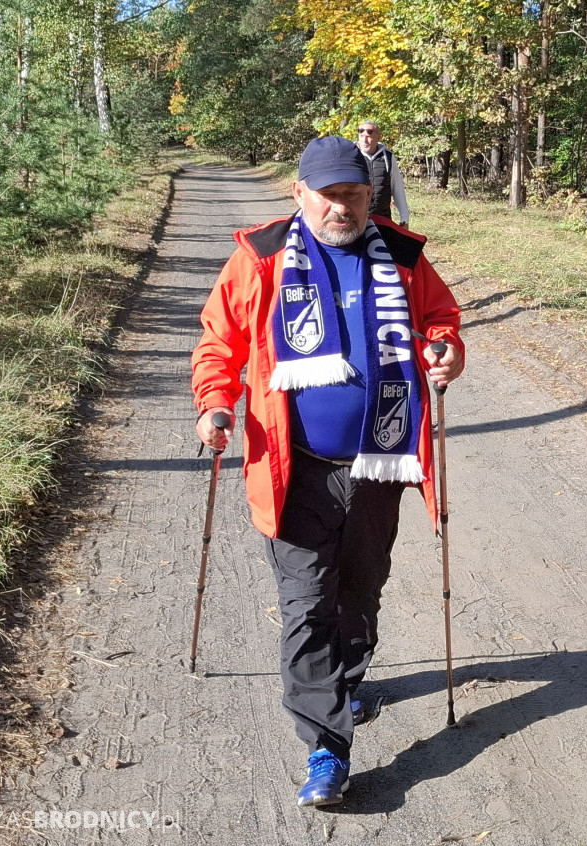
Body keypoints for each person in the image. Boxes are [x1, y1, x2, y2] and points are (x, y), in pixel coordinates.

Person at [191, 135, 464, 808]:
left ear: (371, 195)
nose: (342, 208)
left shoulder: (401, 253)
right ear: (299, 193)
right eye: (330, 195)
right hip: (295, 467)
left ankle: (343, 683)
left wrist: (445, 349)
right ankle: (326, 744)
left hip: (382, 458)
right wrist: (216, 402)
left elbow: (440, 319)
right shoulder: (260, 257)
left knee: (361, 591)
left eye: (355, 195)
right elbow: (219, 341)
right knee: (307, 602)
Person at [357, 120, 410, 227]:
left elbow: (397, 188)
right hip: (358, 221)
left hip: (383, 220)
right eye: (361, 136)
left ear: (378, 138)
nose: (364, 140)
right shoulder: (352, 156)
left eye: (369, 137)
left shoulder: (388, 158)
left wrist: (404, 218)